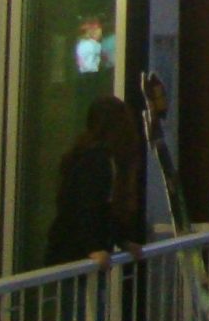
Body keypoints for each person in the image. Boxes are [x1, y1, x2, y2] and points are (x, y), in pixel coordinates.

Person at [46, 95, 142, 264]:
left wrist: (122, 240)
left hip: (69, 251)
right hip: (75, 255)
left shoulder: (88, 154)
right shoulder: (97, 160)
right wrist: (93, 248)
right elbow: (90, 205)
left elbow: (99, 207)